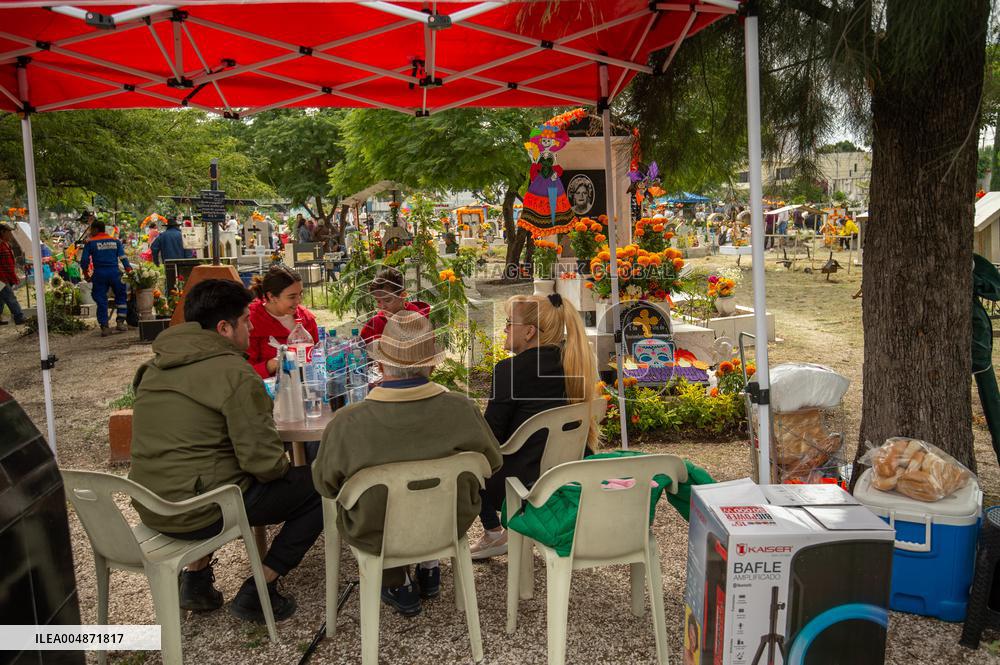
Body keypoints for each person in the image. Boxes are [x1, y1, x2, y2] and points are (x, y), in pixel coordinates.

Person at [129, 279, 322, 622]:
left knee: (208, 469)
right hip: (200, 511)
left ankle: (197, 580)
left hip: (151, 505)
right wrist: (285, 465)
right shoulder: (234, 372)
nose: (250, 327)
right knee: (321, 486)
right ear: (224, 327)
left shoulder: (151, 369)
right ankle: (261, 585)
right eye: (246, 320)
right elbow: (264, 464)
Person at [312, 310, 502, 617]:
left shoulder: (347, 422)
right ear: (431, 364)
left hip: (378, 533)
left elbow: (325, 484)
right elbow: (492, 463)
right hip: (446, 524)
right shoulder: (462, 409)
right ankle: (429, 565)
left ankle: (397, 581)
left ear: (380, 364)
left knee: (372, 506)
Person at [471, 293, 599, 559]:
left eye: (509, 322)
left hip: (516, 483)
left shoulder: (509, 370)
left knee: (466, 457)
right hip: (569, 472)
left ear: (529, 332)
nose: (504, 328)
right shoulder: (573, 361)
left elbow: (491, 437)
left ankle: (494, 532)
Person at [247, 264, 319, 378]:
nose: (298, 301)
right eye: (292, 297)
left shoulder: (306, 319)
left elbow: (318, 356)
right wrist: (272, 364)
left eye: (300, 294)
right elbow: (244, 373)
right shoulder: (250, 323)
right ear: (271, 296)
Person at [80, 219, 131, 336]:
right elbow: (123, 258)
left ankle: (104, 326)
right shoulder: (115, 241)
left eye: (92, 229)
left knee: (101, 299)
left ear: (96, 229)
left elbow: (84, 261)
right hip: (115, 273)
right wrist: (129, 271)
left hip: (100, 274)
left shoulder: (90, 242)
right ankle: (120, 322)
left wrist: (87, 275)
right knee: (121, 296)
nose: (90, 231)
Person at [360, 267, 429, 343]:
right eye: (378, 301)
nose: (382, 307)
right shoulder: (376, 322)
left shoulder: (419, 319)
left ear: (403, 295)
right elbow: (361, 347)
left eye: (387, 300)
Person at [0, 224, 25, 325]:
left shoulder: (5, 244)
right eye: (9, 231)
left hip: (6, 276)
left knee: (1, 298)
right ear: (2, 232)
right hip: (1, 278)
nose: (11, 234)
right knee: (10, 297)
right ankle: (19, 317)